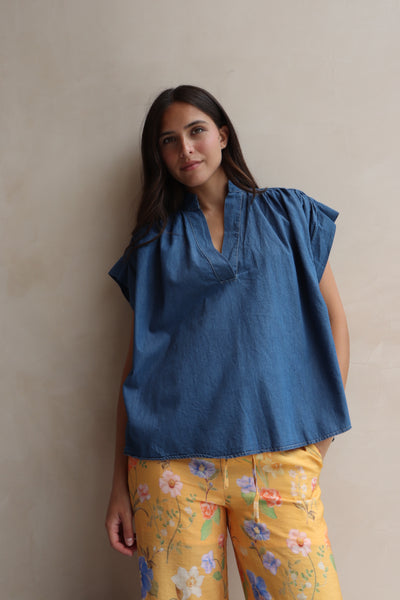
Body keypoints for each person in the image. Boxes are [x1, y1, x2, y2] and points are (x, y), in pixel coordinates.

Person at [105, 84, 351, 600]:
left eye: (195, 131)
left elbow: (334, 321)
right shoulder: (153, 244)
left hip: (280, 455)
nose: (185, 149)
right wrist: (119, 485)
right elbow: (136, 367)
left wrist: (317, 442)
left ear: (221, 135)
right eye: (168, 141)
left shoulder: (289, 214)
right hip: (170, 469)